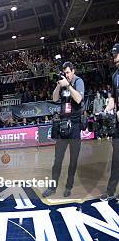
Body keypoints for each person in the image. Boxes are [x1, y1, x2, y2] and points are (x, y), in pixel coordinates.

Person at [42, 62, 84, 198]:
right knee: (57, 160)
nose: (66, 75)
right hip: (63, 125)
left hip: (75, 126)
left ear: (73, 71)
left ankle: (68, 186)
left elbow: (78, 99)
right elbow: (54, 98)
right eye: (64, 72)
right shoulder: (63, 83)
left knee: (73, 160)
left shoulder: (78, 81)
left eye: (68, 72)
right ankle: (52, 187)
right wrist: (59, 84)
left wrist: (68, 85)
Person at [101, 44, 119, 201]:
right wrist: (106, 109)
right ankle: (111, 191)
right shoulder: (115, 76)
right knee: (116, 158)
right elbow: (113, 98)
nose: (115, 58)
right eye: (114, 55)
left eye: (117, 55)